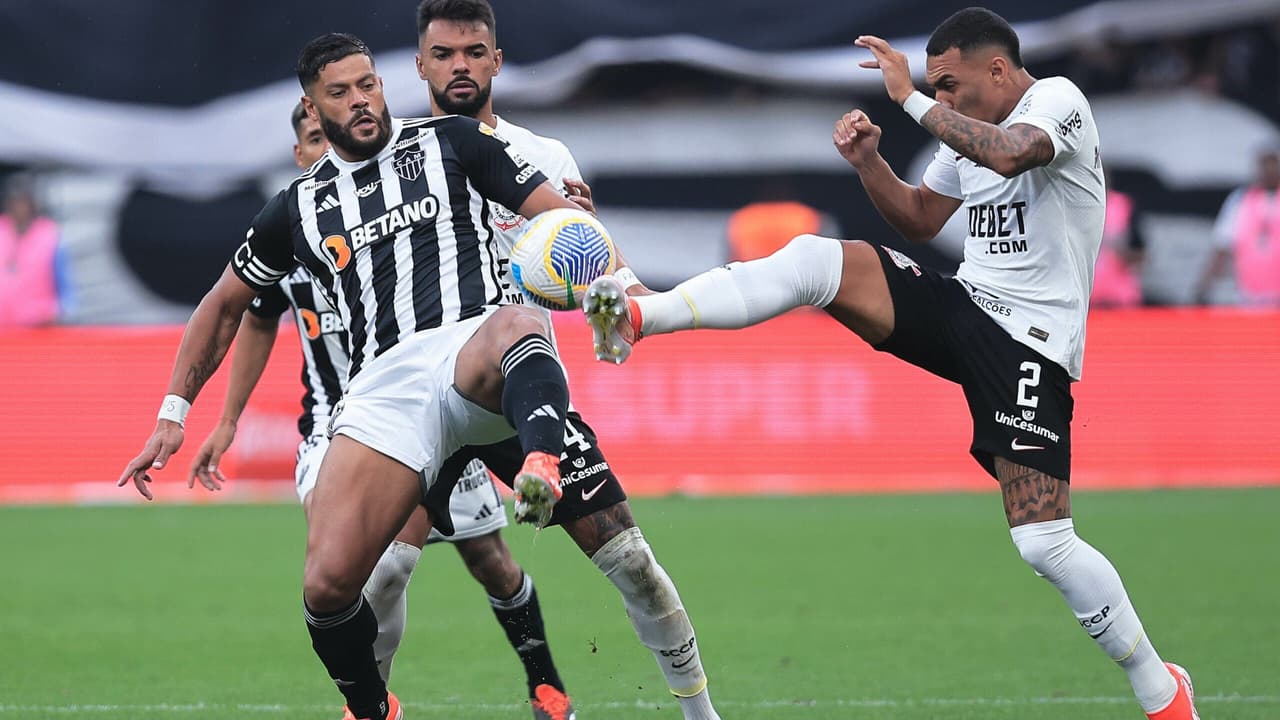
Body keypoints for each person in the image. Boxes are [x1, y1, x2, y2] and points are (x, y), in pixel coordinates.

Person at [584, 8, 1199, 720]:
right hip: (967, 307)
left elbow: (1010, 153)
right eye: (934, 90)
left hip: (1033, 343)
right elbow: (918, 219)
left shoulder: (1057, 102)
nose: (942, 101)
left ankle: (1162, 689)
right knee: (820, 261)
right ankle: (639, 315)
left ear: (997, 70)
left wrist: (907, 99)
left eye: (951, 86)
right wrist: (869, 163)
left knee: (1044, 544)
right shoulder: (962, 126)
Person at [120, 32, 594, 720]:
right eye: (339, 93)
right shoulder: (296, 209)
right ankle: (373, 709)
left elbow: (552, 219)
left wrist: (580, 240)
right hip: (383, 390)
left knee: (517, 327)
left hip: (469, 348)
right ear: (313, 108)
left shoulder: (452, 141)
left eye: (367, 84)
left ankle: (541, 468)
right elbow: (226, 307)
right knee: (328, 587)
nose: (361, 101)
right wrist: (175, 413)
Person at [413, 3, 721, 719]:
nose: (460, 64)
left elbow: (596, 281)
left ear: (496, 61)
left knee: (633, 562)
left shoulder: (544, 161)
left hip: (517, 393)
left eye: (474, 51)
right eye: (444, 53)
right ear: (421, 64)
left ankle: (702, 716)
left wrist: (603, 285)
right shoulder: (395, 161)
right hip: (423, 386)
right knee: (376, 573)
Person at [1194, 144, 1280, 306]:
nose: (1269, 170)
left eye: (1273, 163)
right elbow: (1222, 245)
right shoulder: (1240, 201)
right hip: (1249, 298)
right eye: (1264, 164)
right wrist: (1205, 286)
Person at [0, 174, 70, 328]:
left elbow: (65, 283)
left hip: (40, 325)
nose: (19, 207)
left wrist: (61, 311)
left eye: (23, 201)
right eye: (15, 201)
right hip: (4, 326)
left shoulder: (49, 233)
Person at [1090, 169, 1146, 308]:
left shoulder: (1124, 206)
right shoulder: (1075, 207)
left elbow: (1140, 253)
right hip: (1087, 297)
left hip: (1119, 298)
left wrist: (1123, 253)